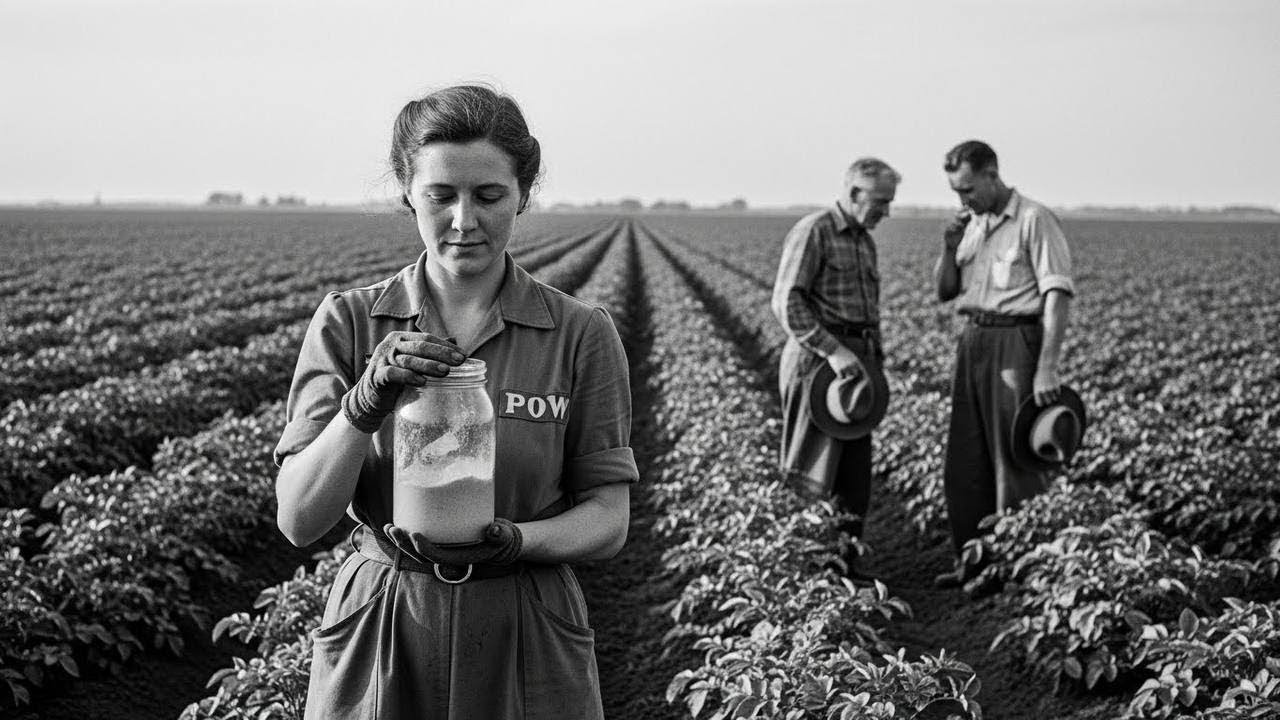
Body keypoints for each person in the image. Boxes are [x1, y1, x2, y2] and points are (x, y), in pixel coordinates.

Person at [273, 84, 637, 719]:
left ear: (523, 194)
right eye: (440, 196)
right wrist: (364, 407)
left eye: (489, 195)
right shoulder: (350, 323)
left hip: (525, 619)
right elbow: (300, 519)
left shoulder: (580, 333)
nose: (464, 221)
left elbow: (608, 519)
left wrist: (518, 540)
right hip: (388, 617)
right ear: (406, 194)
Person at [932, 140, 1074, 588]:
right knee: (967, 455)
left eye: (969, 189)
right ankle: (972, 561)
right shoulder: (971, 226)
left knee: (1014, 459)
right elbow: (945, 291)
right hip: (974, 338)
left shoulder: (1034, 219)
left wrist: (1046, 367)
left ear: (993, 174)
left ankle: (1015, 570)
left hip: (1016, 340)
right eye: (957, 191)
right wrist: (949, 244)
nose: (963, 199)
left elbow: (1057, 295)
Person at [771, 157, 901, 582]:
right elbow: (787, 302)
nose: (886, 210)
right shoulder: (816, 230)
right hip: (820, 365)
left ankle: (844, 565)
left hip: (856, 367)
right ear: (854, 193)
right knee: (812, 467)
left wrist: (872, 362)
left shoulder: (864, 240)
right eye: (881, 201)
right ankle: (807, 569)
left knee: (854, 473)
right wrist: (834, 352)